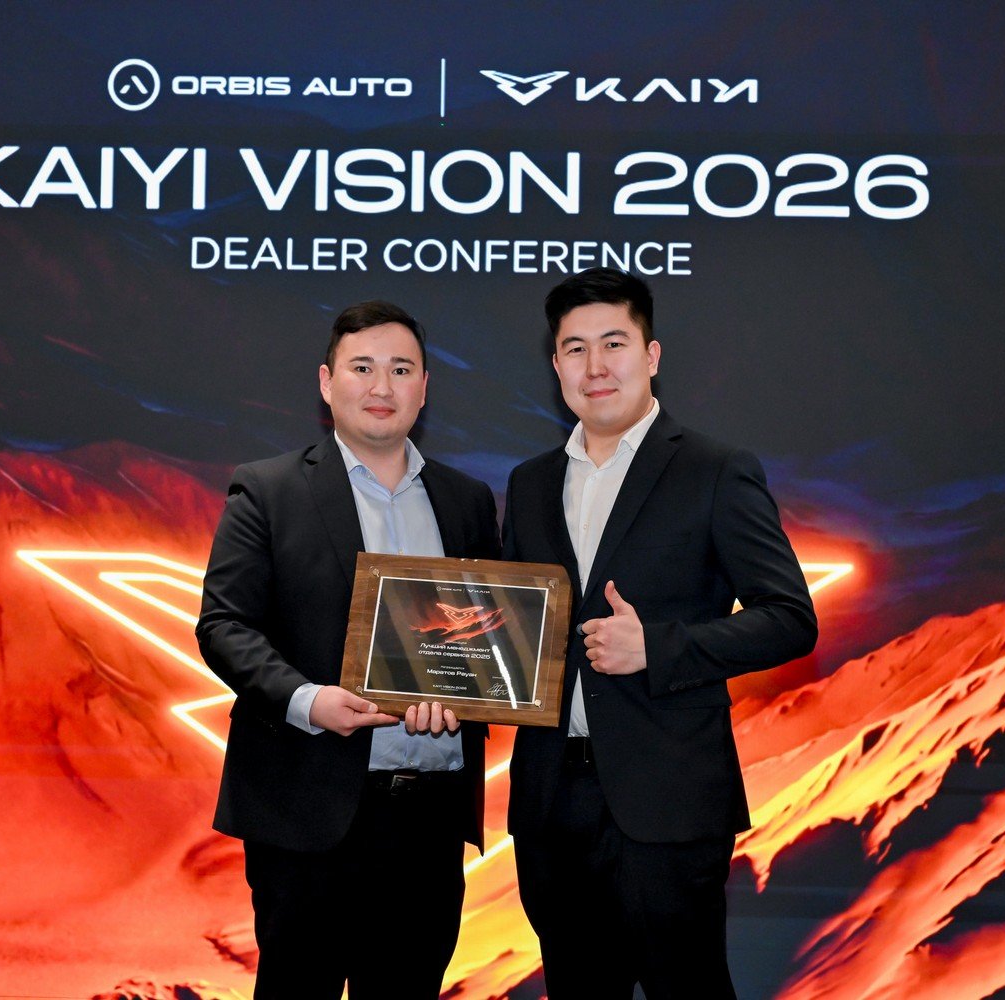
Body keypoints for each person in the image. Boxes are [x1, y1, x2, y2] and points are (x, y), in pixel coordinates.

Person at [501, 268, 818, 999]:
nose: (595, 365)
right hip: (551, 801)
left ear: (651, 356)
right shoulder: (530, 483)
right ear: (556, 366)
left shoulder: (715, 470)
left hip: (668, 800)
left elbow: (789, 618)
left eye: (614, 343)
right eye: (575, 348)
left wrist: (660, 647)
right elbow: (519, 631)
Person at [196, 300, 500, 1000]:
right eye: (362, 368)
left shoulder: (468, 502)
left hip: (429, 822)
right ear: (327, 382)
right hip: (308, 813)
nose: (382, 386)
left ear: (424, 388)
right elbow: (224, 626)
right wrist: (308, 701)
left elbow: (487, 637)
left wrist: (466, 697)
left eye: (401, 370)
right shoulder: (268, 490)